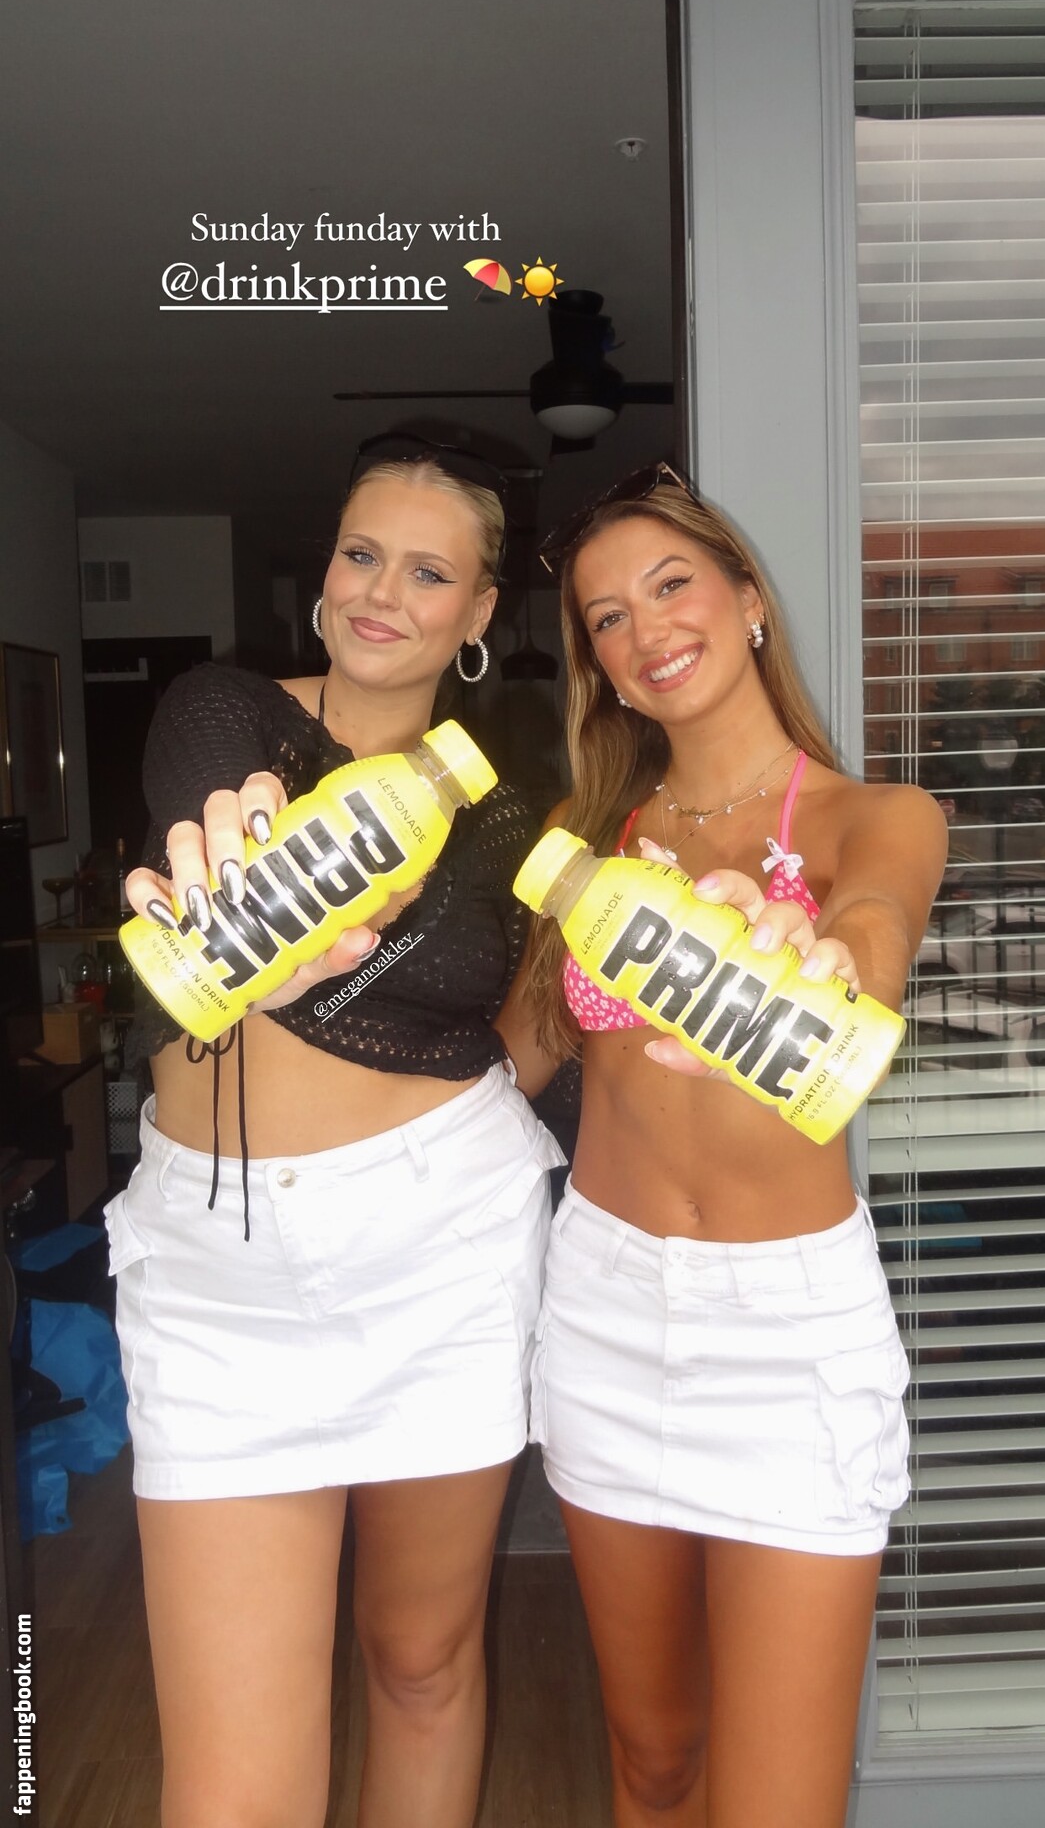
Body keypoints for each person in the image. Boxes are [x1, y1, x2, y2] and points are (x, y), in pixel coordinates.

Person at [114, 432, 563, 1828]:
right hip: (213, 1281)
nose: (382, 593)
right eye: (363, 554)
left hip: (442, 1239)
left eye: (429, 572)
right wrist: (252, 897)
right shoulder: (223, 710)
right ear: (324, 571)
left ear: (479, 612)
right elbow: (219, 826)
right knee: (230, 1786)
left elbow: (533, 1030)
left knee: (419, 1661)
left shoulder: (510, 808)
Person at [496, 464, 948, 1828]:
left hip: (790, 1337)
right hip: (606, 1307)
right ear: (600, 668)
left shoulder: (879, 817)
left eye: (671, 585)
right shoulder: (588, 841)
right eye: (607, 618)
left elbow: (872, 935)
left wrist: (823, 955)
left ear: (749, 599)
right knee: (655, 1766)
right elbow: (511, 1067)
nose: (646, 630)